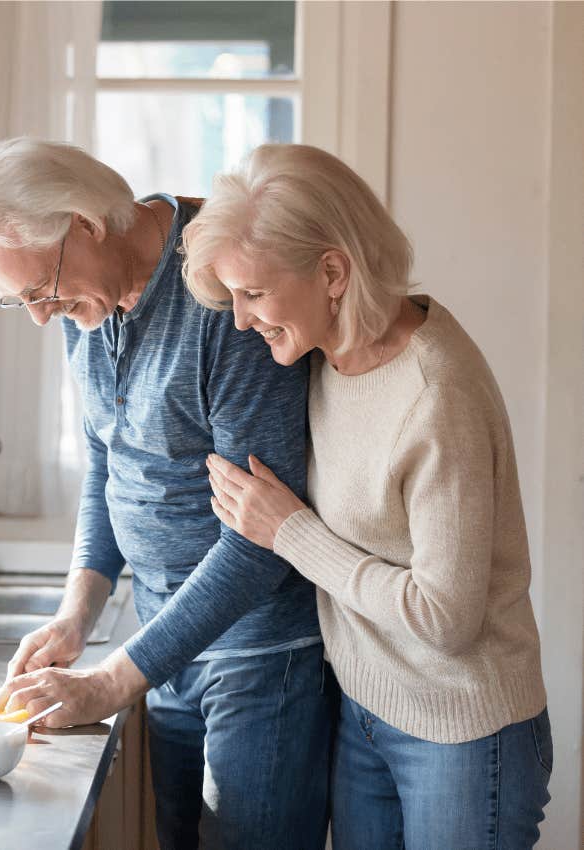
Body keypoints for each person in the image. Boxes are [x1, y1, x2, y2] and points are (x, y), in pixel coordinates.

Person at [0, 137, 336, 850]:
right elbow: (106, 457)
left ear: (85, 225)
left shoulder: (224, 295)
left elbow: (261, 542)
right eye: (19, 301)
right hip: (163, 648)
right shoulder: (87, 308)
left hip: (257, 659)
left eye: (39, 289)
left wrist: (111, 682)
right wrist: (77, 612)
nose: (40, 315)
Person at [183, 143, 552, 850]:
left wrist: (287, 531)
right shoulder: (328, 352)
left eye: (253, 294)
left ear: (331, 271)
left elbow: (446, 617)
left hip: (463, 733)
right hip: (366, 710)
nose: (238, 321)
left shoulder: (435, 396)